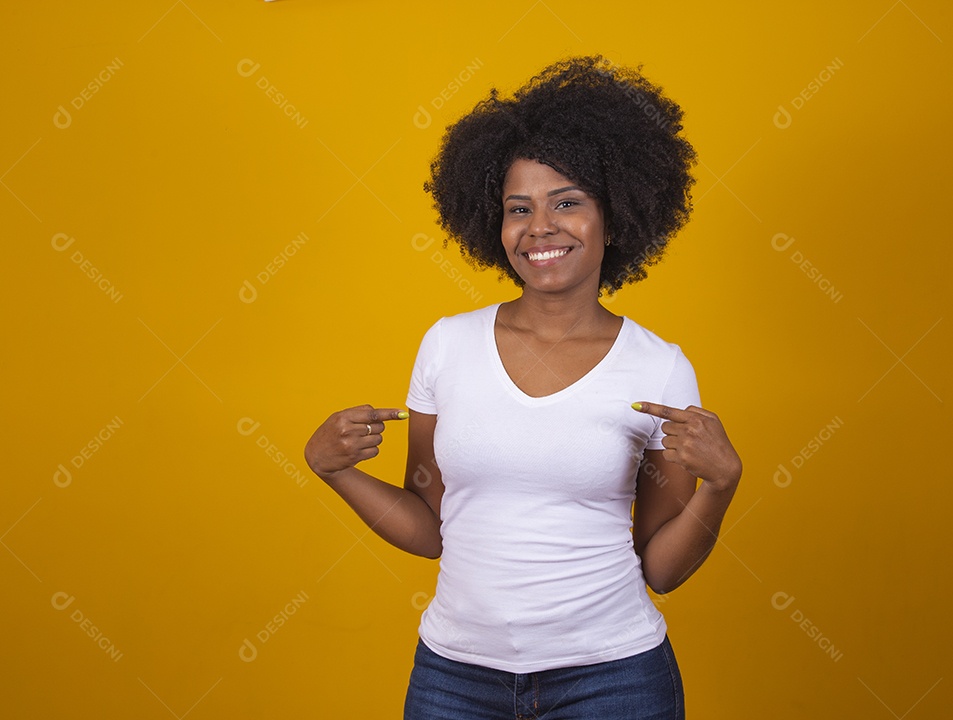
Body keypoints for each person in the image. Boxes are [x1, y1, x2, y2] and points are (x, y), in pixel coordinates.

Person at [304, 55, 742, 720]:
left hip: (613, 680)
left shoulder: (659, 367)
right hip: (455, 678)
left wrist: (723, 483)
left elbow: (661, 568)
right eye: (520, 208)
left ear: (616, 216)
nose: (541, 227)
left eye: (567, 202)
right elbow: (432, 527)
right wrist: (332, 471)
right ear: (494, 223)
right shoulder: (447, 345)